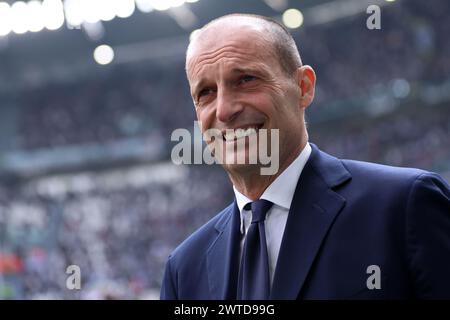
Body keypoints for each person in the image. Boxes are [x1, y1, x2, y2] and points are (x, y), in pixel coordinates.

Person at [160, 13, 450, 299]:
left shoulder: (403, 207)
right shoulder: (184, 269)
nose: (223, 110)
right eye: (206, 92)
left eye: (246, 79)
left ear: (304, 87)